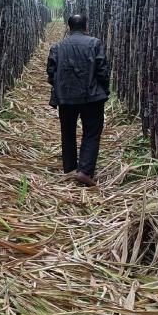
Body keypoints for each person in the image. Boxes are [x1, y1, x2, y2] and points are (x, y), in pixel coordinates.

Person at [46, 14, 110, 186]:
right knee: (91, 133)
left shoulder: (57, 47)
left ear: (68, 27)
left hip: (66, 98)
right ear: (86, 27)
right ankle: (85, 171)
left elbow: (51, 72)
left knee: (67, 131)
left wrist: (61, 87)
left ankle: (69, 168)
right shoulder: (95, 43)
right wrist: (105, 90)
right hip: (92, 97)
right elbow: (102, 70)